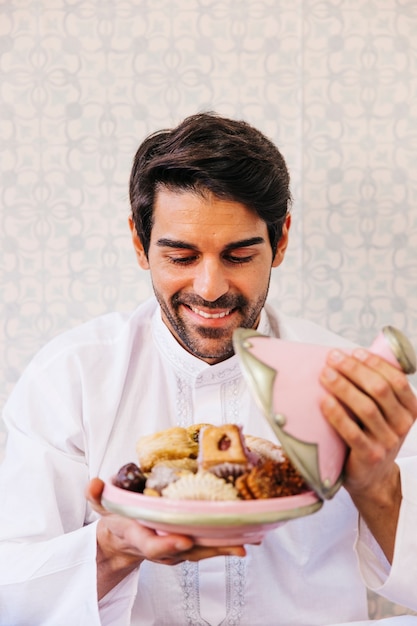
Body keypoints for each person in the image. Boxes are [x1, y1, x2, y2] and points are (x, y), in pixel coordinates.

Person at [1, 112, 417, 626]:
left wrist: (377, 485)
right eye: (181, 256)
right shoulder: (71, 378)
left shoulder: (348, 379)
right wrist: (112, 548)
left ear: (281, 240)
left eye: (239, 255)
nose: (211, 287)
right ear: (139, 244)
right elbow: (10, 591)